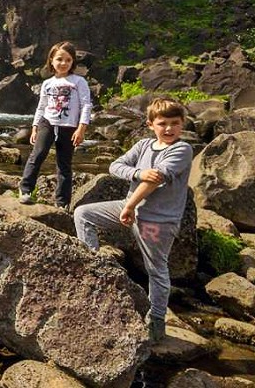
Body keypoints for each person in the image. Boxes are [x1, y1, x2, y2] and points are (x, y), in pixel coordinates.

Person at [73, 97, 193, 342]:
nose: (169, 129)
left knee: (156, 270)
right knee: (84, 213)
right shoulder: (144, 146)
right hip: (132, 210)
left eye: (175, 123)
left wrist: (129, 204)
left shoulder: (182, 149)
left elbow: (155, 180)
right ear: (151, 124)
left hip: (156, 221)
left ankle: (157, 321)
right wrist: (137, 172)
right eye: (162, 123)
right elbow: (114, 166)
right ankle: (95, 268)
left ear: (182, 124)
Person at [18, 41, 92, 208]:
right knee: (38, 155)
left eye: (68, 60)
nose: (63, 63)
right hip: (48, 122)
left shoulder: (79, 82)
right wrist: (35, 127)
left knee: (64, 164)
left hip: (69, 126)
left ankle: (62, 202)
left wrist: (81, 128)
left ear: (73, 62)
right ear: (51, 60)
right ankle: (26, 189)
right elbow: (42, 106)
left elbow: (86, 105)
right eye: (59, 59)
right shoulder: (47, 83)